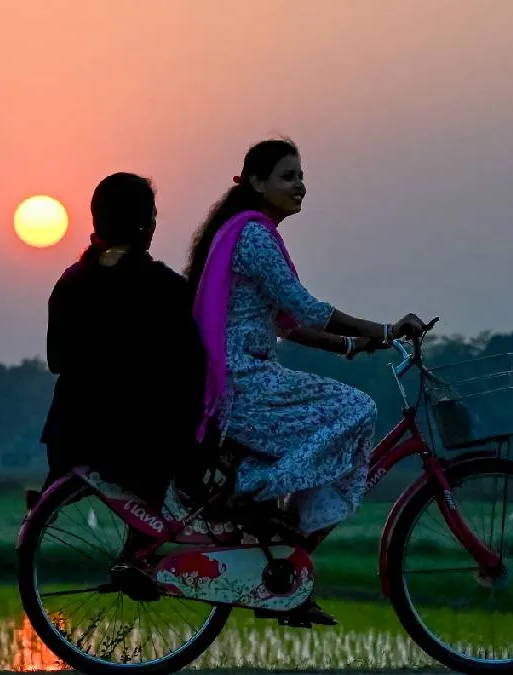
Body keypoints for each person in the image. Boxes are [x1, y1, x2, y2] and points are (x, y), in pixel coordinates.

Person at [183, 138, 427, 624]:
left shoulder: (249, 232)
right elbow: (308, 308)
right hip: (242, 379)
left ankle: (284, 555)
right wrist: (382, 330)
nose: (300, 186)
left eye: (301, 176)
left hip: (249, 372)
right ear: (256, 183)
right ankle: (254, 489)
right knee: (356, 409)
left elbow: (291, 325)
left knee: (338, 422)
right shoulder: (253, 236)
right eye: (288, 176)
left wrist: (352, 345)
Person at [34, 172, 206, 509]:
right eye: (153, 215)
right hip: (138, 438)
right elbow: (193, 361)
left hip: (72, 433)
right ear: (144, 224)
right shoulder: (165, 287)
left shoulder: (70, 282)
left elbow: (56, 360)